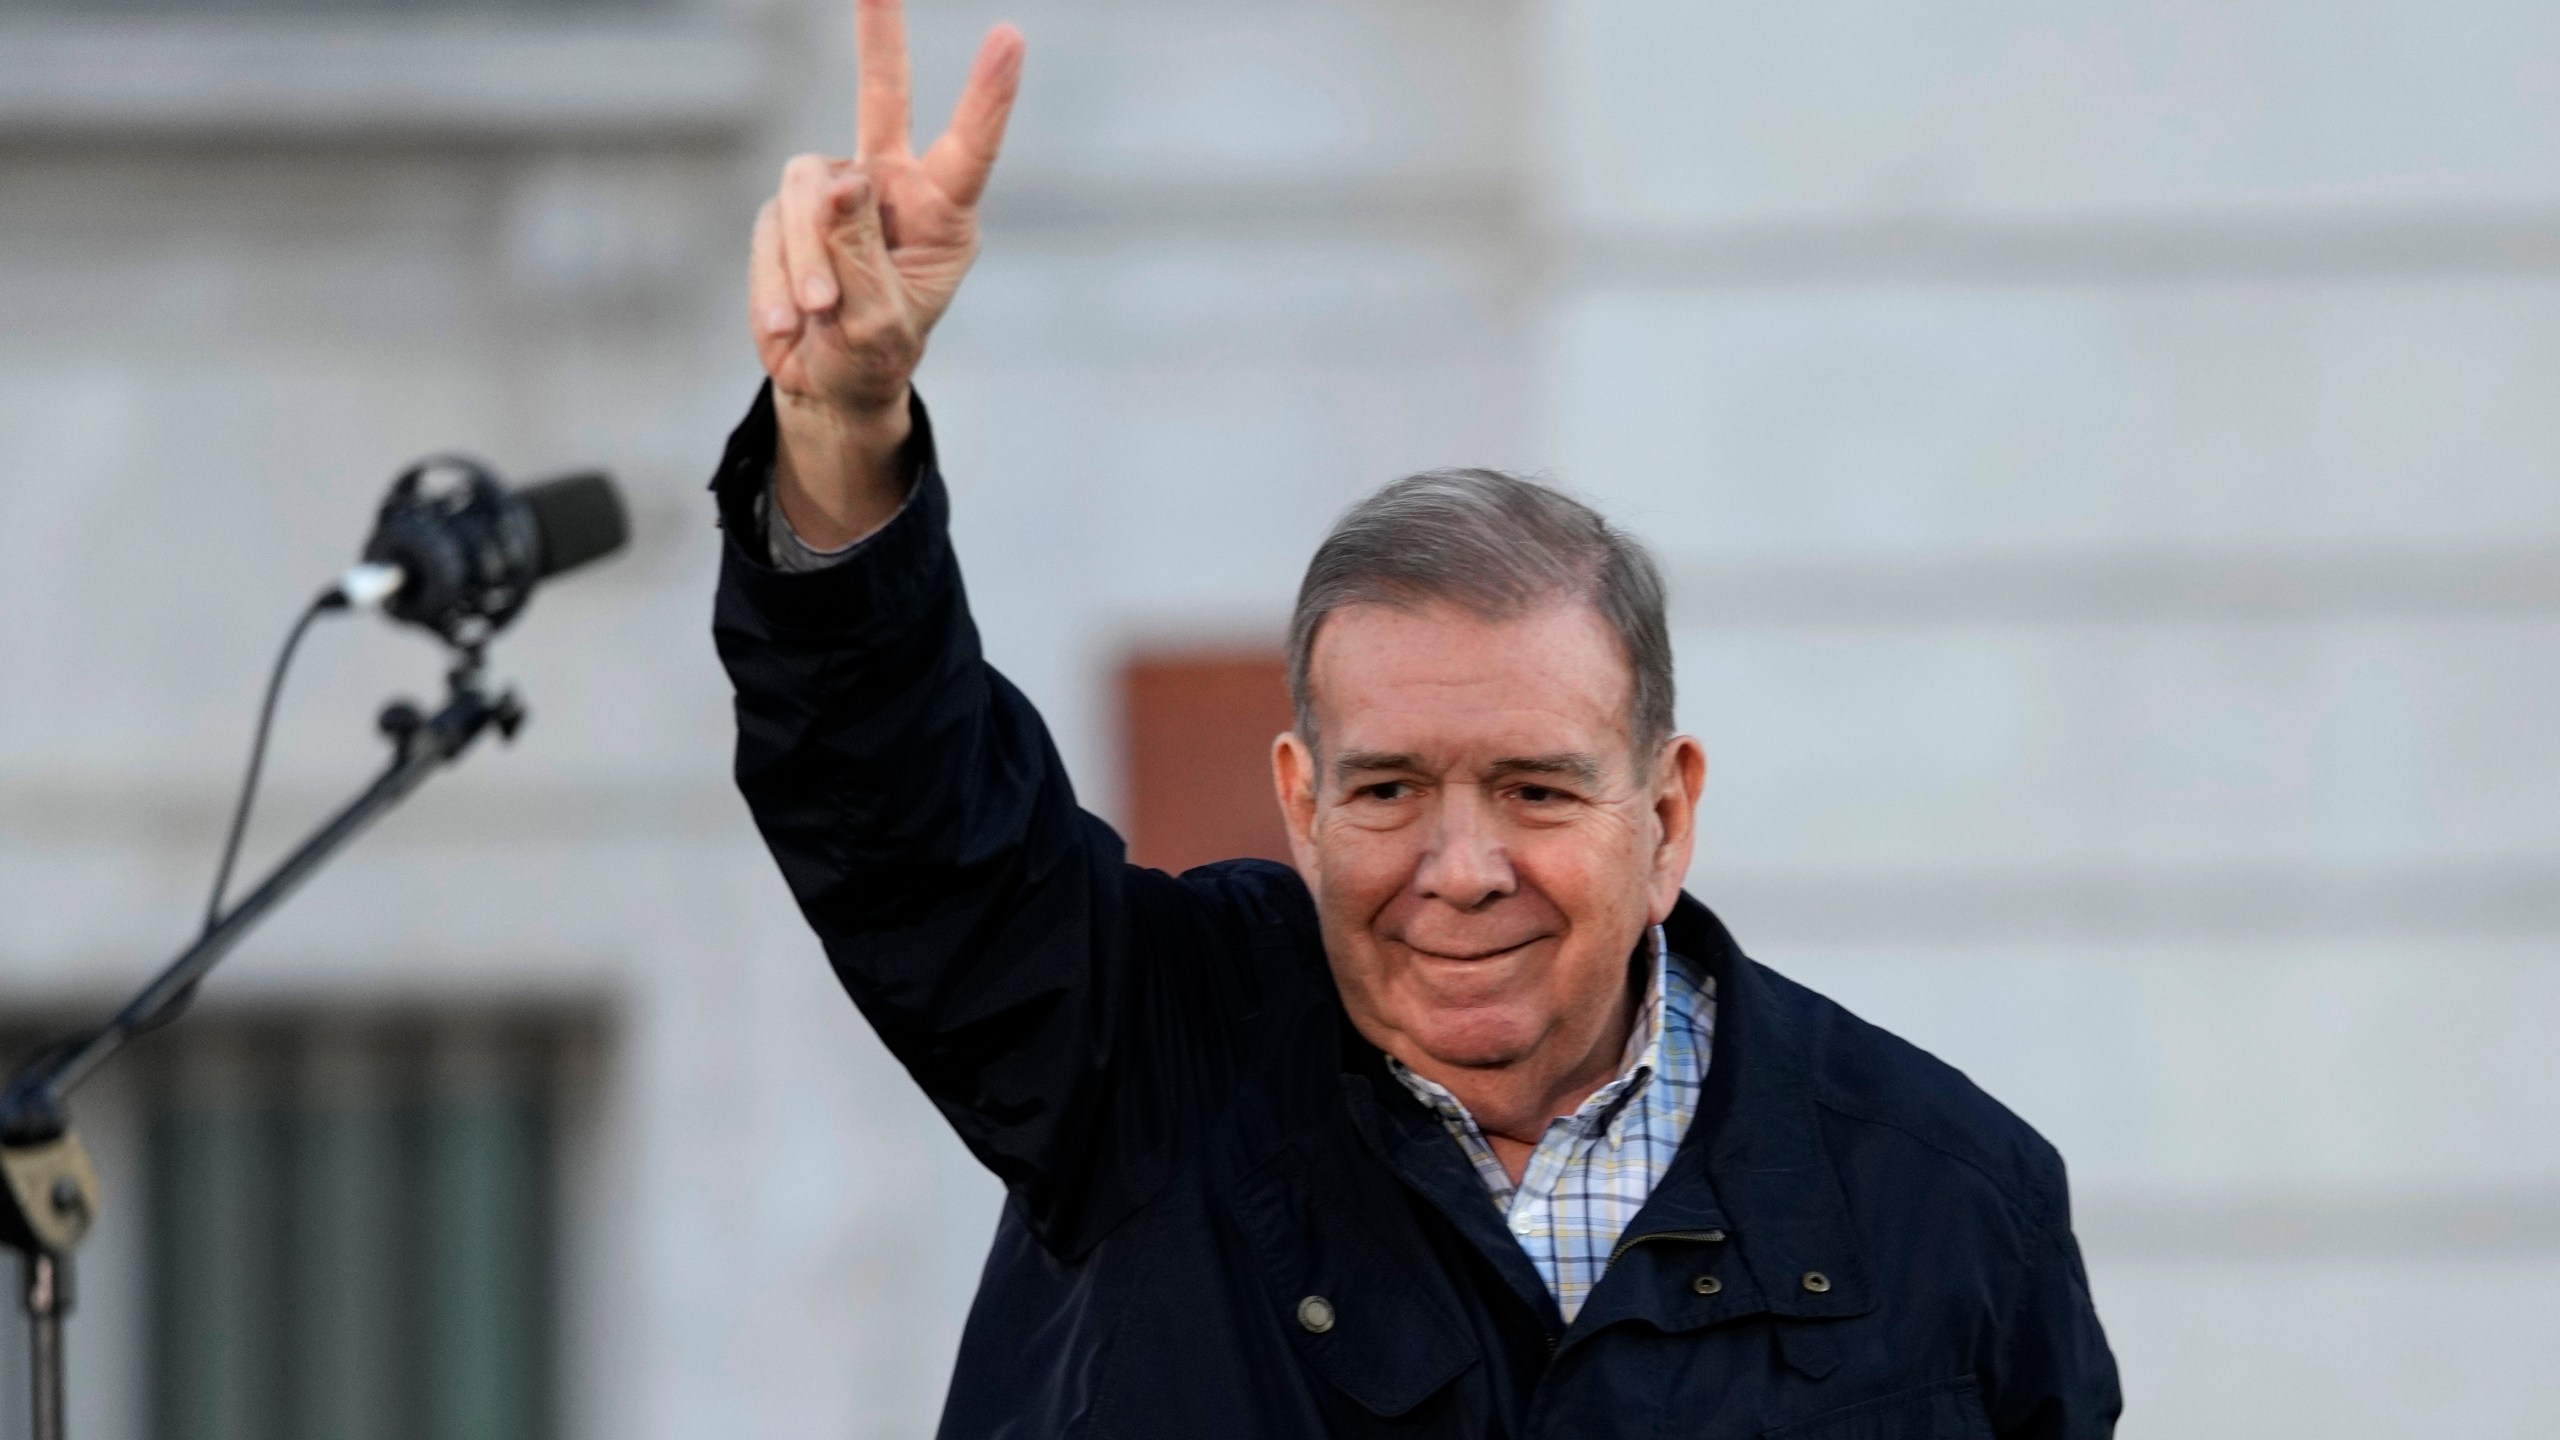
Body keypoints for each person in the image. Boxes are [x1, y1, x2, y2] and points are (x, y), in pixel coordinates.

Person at [710, 3, 2121, 1435]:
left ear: (1668, 813)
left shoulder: (1955, 1208)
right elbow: (897, 814)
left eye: (1536, 791)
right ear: (1299, 803)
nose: (1459, 869)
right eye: (1387, 791)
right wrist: (843, 419)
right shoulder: (1146, 1055)